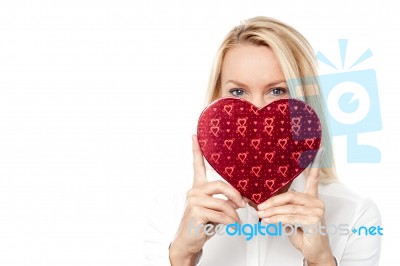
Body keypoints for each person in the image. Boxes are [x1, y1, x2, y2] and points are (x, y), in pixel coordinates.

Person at [144, 16, 382, 266]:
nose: (256, 110)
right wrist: (181, 256)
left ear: (305, 103)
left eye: (277, 91)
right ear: (216, 98)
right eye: (237, 92)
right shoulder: (170, 211)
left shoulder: (356, 215)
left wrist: (321, 260)